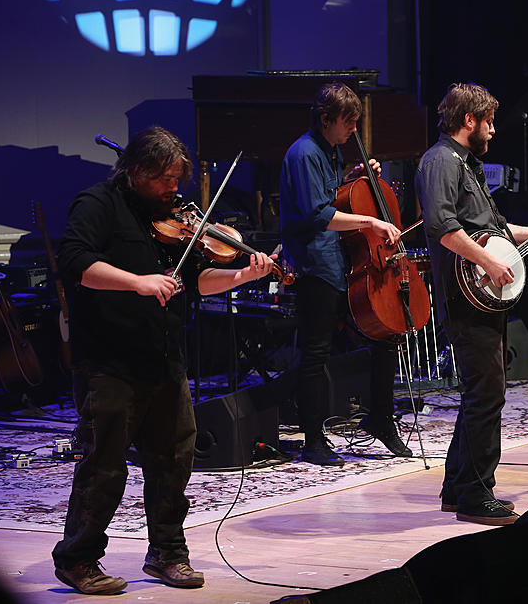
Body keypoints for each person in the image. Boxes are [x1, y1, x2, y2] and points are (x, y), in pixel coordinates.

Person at [52, 126, 277, 595]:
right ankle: (77, 559)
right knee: (105, 464)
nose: (175, 190)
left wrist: (240, 275)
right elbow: (76, 263)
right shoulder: (97, 204)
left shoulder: (175, 218)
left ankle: (167, 554)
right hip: (109, 361)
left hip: (164, 358)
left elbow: (197, 280)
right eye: (165, 180)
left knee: (173, 461)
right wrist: (138, 281)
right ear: (136, 172)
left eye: (179, 179)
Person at [415, 82, 528, 525]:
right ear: (469, 120)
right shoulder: (439, 162)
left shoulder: (465, 164)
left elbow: (499, 231)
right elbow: (443, 227)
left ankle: (458, 488)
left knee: (481, 395)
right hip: (464, 299)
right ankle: (475, 493)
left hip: (483, 301)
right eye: (488, 121)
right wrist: (486, 261)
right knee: (487, 395)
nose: (492, 130)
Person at [279, 81, 412, 467]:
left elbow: (331, 196)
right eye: (348, 122)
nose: (354, 129)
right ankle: (313, 439)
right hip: (315, 265)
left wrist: (353, 175)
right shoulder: (304, 153)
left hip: (341, 263)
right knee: (316, 352)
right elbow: (318, 214)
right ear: (325, 119)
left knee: (385, 335)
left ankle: (381, 420)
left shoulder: (329, 150)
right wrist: (370, 222)